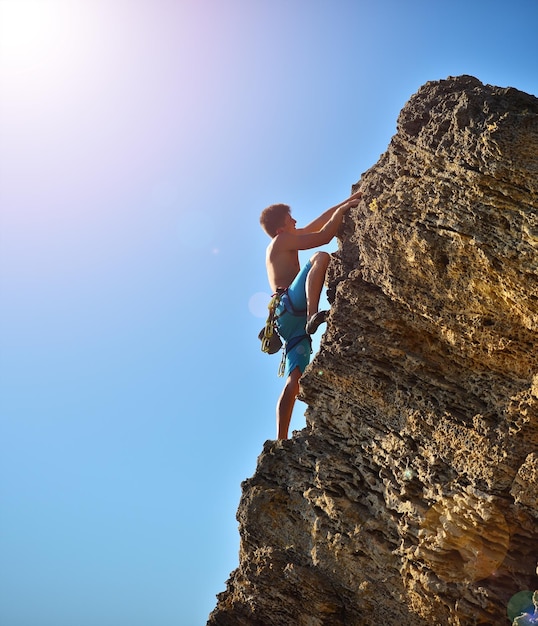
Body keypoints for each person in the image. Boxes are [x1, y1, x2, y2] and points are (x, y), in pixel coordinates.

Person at [259, 190, 363, 439]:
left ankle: (281, 439)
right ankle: (313, 315)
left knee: (294, 379)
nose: (295, 222)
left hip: (285, 322)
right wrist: (341, 212)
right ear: (281, 227)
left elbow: (320, 221)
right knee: (320, 257)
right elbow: (324, 236)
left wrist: (346, 203)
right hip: (290, 306)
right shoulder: (281, 242)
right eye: (290, 219)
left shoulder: (284, 240)